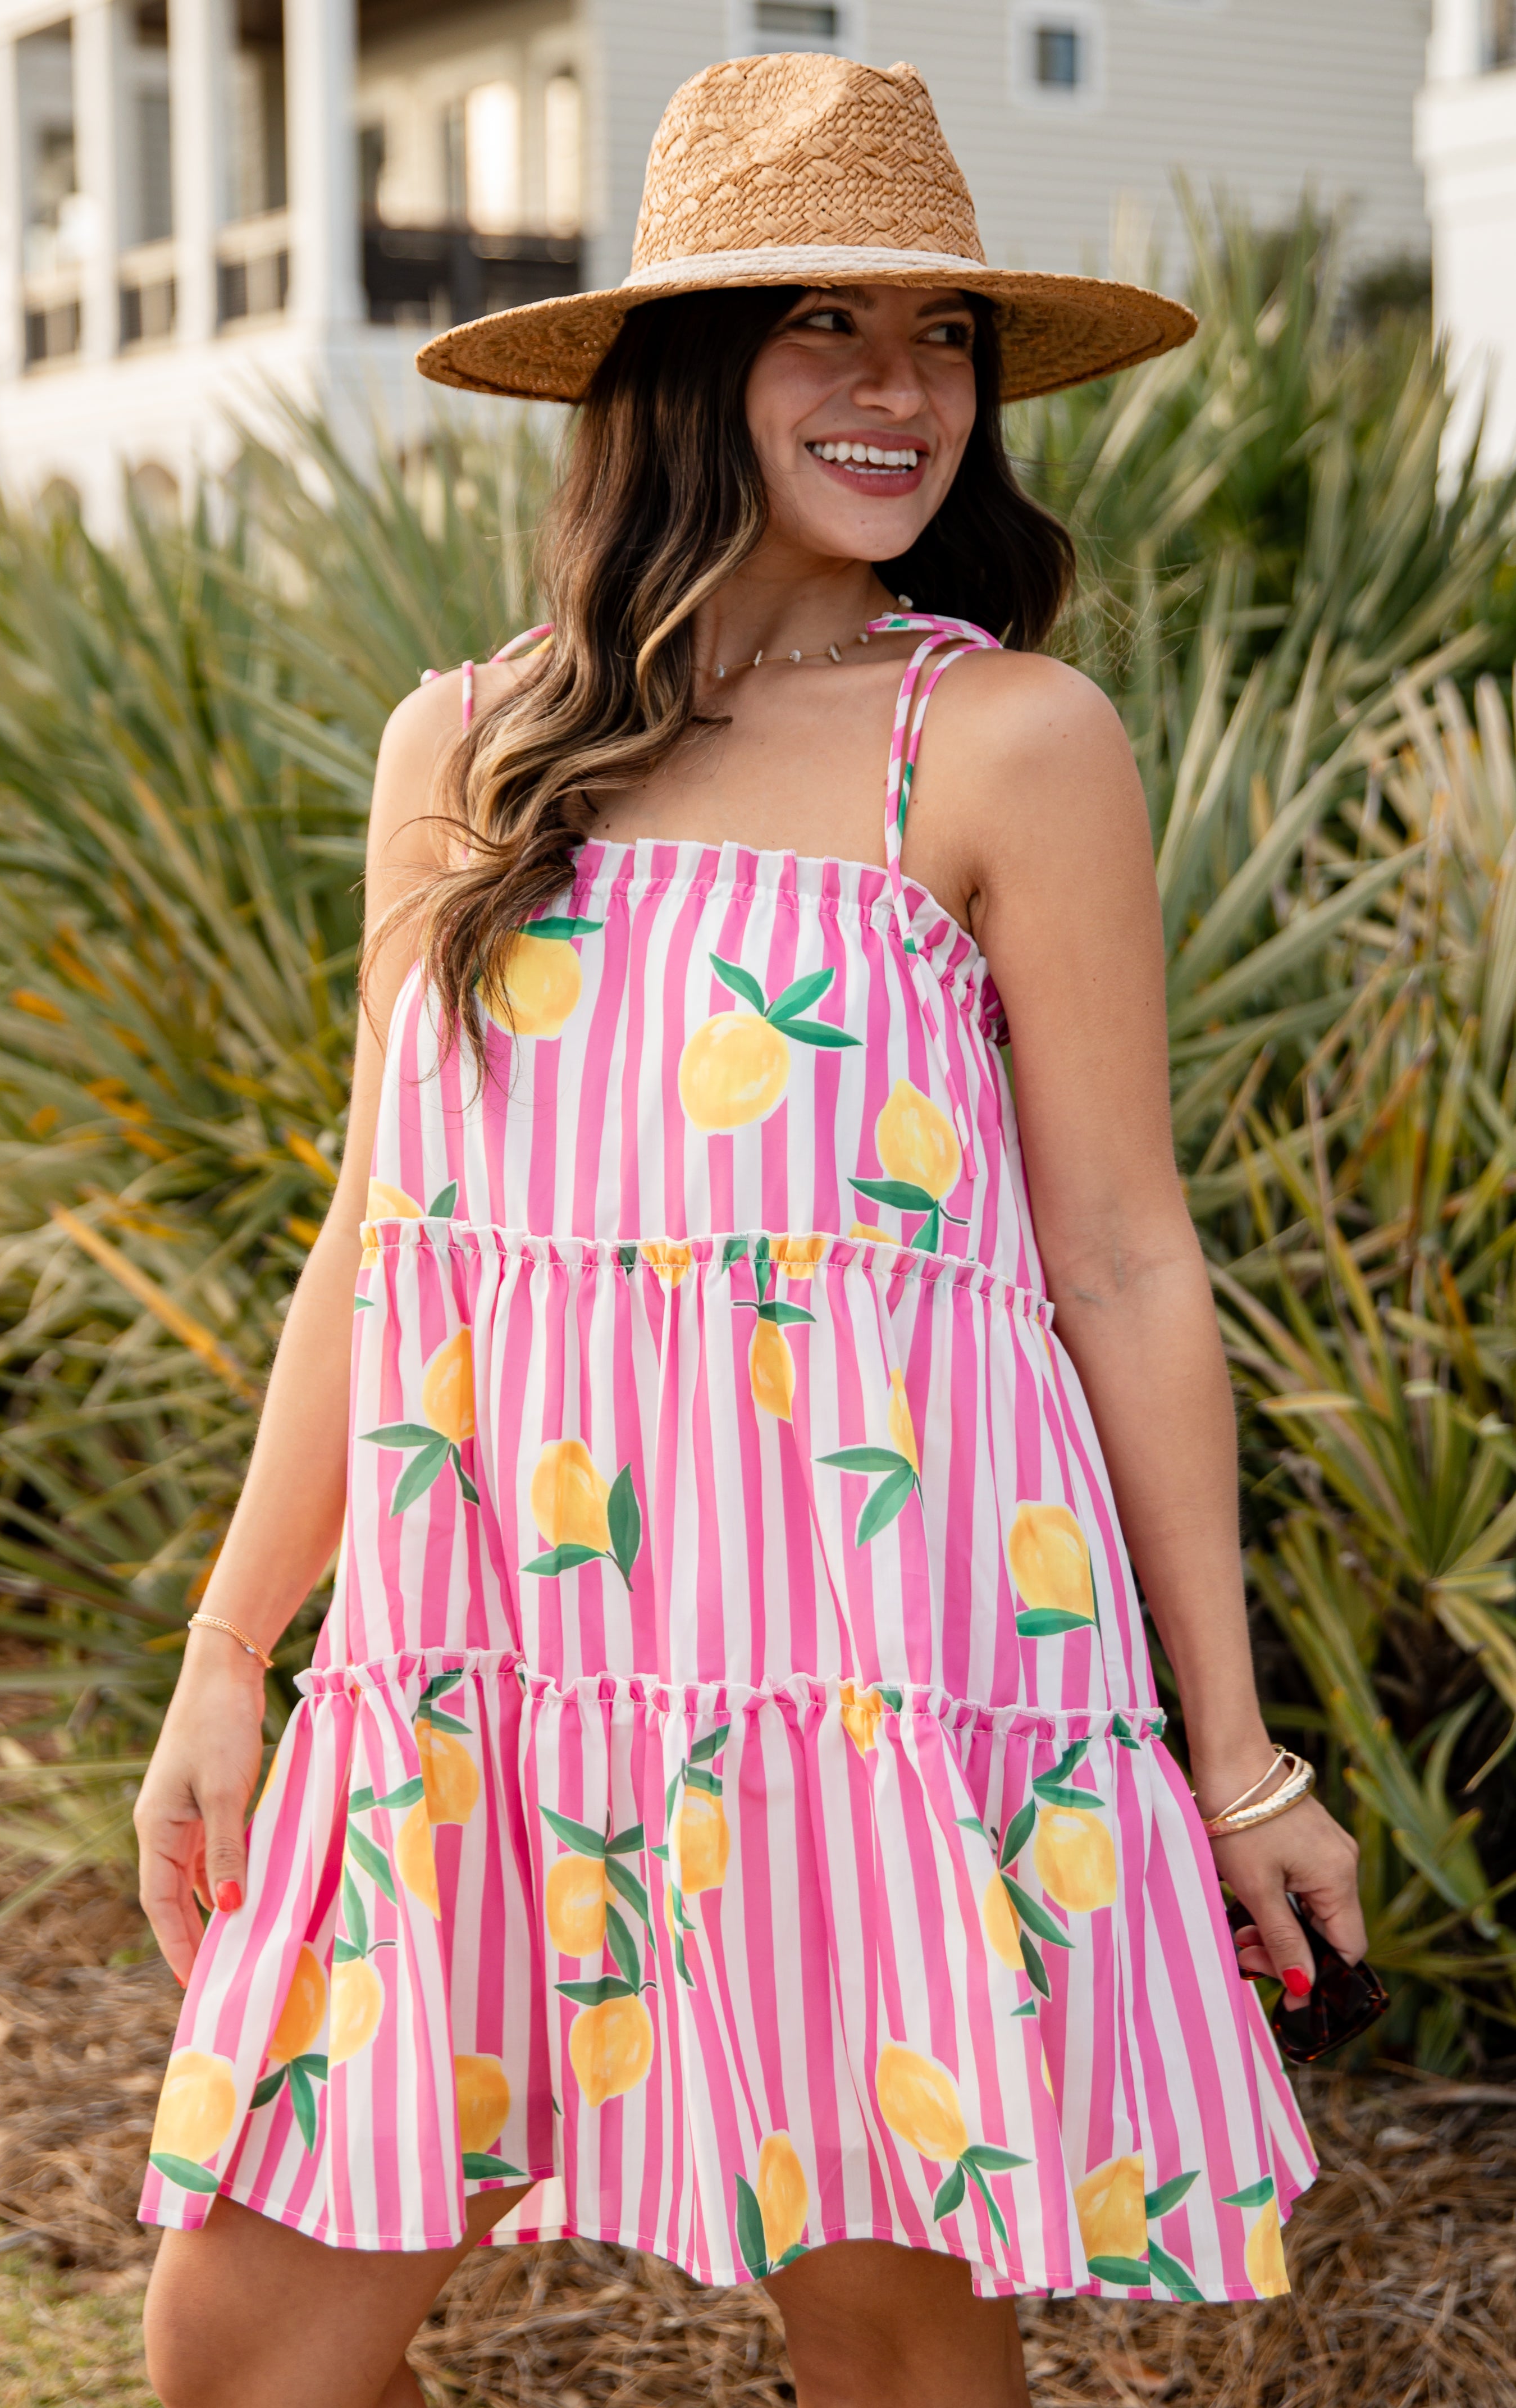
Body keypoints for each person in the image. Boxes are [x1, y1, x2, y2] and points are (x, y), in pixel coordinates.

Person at [136, 52, 1365, 2408]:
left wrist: (1232, 1754)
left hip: (865, 1672)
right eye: (825, 323)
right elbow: (386, 1235)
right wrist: (232, 1647)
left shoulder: (1000, 739)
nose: (901, 388)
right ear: (682, 373)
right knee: (243, 2344)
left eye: (942, 336)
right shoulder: (465, 745)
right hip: (485, 1665)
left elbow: (1119, 1253)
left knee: (890, 2344)